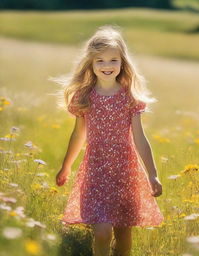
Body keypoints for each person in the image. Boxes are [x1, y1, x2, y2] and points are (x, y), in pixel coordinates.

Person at [54, 25, 164, 256]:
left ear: (122, 62)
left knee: (124, 236)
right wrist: (66, 166)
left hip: (125, 171)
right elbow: (78, 135)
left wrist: (152, 173)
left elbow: (140, 138)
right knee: (103, 231)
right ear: (91, 64)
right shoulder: (84, 97)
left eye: (113, 60)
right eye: (100, 61)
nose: (107, 66)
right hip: (96, 171)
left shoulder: (130, 97)